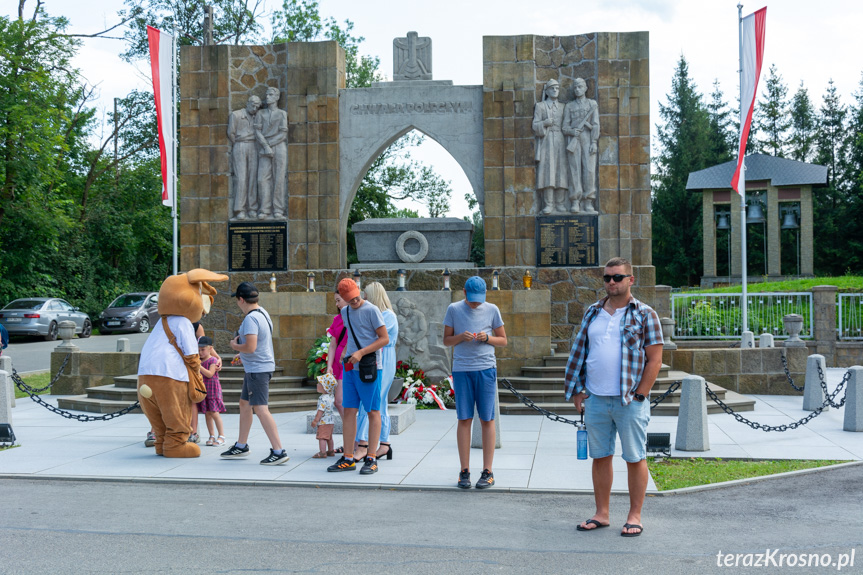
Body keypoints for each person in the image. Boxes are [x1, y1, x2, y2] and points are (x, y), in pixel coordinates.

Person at [564, 257, 663, 537]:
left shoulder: (645, 314)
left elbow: (654, 360)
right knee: (601, 457)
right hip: (596, 399)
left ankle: (634, 515)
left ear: (630, 280)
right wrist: (577, 390)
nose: (611, 282)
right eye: (607, 277)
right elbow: (580, 352)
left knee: (634, 457)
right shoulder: (592, 312)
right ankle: (602, 513)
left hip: (629, 401)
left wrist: (641, 395)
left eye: (617, 277)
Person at [443, 276, 507, 489]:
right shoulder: (453, 309)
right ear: (464, 293)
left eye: (479, 299)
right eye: (472, 300)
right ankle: (464, 471)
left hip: (486, 369)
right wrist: (461, 336)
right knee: (464, 418)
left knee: (487, 419)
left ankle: (487, 471)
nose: (476, 303)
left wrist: (486, 338)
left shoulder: (492, 309)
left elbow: (503, 340)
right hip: (462, 370)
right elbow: (446, 340)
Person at [221, 281, 289, 465]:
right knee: (244, 403)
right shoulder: (263, 313)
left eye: (237, 300)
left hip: (257, 370)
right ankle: (241, 445)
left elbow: (250, 347)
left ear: (241, 299)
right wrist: (243, 355)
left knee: (260, 409)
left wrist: (235, 346)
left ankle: (278, 451)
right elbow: (259, 344)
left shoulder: (251, 319)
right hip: (257, 367)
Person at [327, 278, 389, 475]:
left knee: (372, 411)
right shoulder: (345, 312)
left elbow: (384, 339)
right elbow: (352, 337)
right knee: (349, 411)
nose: (355, 302)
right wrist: (344, 356)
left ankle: (371, 457)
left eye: (356, 298)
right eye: (350, 300)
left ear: (359, 291)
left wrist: (361, 353)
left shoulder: (371, 310)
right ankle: (348, 457)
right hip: (350, 367)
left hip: (370, 367)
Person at [354, 282, 399, 461]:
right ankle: (384, 444)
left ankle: (363, 443)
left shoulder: (388, 316)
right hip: (375, 357)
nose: (364, 299)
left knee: (372, 399)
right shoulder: (379, 314)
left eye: (366, 295)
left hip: (383, 358)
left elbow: (373, 336)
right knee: (378, 403)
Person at [562, 77, 600, 214]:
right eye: (575, 87)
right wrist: (572, 131)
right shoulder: (569, 106)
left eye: (580, 87)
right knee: (574, 170)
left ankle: (588, 201)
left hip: (588, 139)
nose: (577, 89)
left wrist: (594, 142)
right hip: (574, 139)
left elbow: (596, 125)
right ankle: (575, 201)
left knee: (589, 170)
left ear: (585, 88)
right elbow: (564, 127)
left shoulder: (592, 104)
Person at [533, 78, 568, 215]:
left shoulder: (563, 107)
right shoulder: (540, 106)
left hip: (561, 139)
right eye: (552, 88)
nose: (555, 90)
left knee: (561, 172)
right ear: (547, 91)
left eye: (557, 88)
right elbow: (535, 125)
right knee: (548, 172)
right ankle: (548, 204)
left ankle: (560, 204)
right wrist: (544, 123)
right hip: (547, 140)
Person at [254, 87, 288, 220]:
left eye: (270, 94)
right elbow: (257, 131)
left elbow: (283, 133)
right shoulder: (260, 113)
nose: (267, 97)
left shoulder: (282, 114)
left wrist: (270, 145)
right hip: (264, 147)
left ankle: (278, 209)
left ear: (277, 97)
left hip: (279, 147)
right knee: (262, 179)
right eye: (266, 94)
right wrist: (265, 146)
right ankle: (264, 209)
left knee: (279, 179)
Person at [228, 94, 261, 220]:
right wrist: (238, 143)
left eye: (257, 106)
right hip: (240, 145)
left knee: (253, 177)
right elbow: (231, 132)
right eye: (253, 105)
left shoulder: (258, 116)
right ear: (247, 103)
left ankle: (252, 208)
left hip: (254, 146)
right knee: (241, 178)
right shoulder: (236, 115)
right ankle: (239, 209)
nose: (255, 108)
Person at [196, 336, 227, 447]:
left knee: (214, 412)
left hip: (213, 390)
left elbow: (210, 374)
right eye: (198, 350)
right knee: (207, 414)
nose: (200, 352)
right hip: (204, 390)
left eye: (203, 349)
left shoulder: (213, 360)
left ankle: (222, 436)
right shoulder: (199, 360)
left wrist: (198, 366)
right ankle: (211, 435)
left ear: (210, 349)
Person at [324, 287, 349, 422]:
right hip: (337, 364)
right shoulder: (337, 319)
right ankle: (352, 436)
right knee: (338, 402)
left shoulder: (355, 317)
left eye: (338, 300)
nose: (337, 304)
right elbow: (332, 344)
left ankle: (354, 436)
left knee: (339, 401)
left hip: (347, 363)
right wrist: (329, 365)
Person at [310, 373, 337, 458]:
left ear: (325, 387)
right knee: (329, 437)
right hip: (331, 421)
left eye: (319, 384)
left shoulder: (323, 398)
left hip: (323, 421)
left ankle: (322, 452)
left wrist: (315, 420)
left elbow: (320, 411)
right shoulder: (331, 396)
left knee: (322, 437)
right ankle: (331, 451)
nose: (317, 385)